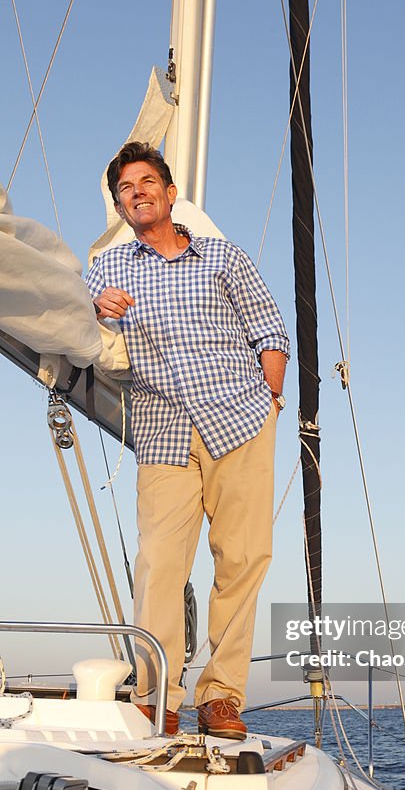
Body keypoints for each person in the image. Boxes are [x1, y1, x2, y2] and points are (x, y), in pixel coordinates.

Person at [86, 141, 289, 739]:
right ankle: (157, 697)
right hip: (162, 429)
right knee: (159, 565)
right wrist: (98, 308)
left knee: (243, 558)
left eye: (147, 182)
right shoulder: (109, 269)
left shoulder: (222, 258)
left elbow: (270, 330)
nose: (137, 192)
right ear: (121, 207)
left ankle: (222, 696)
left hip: (240, 419)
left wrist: (271, 399)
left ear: (170, 194)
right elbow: (85, 328)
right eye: (126, 189)